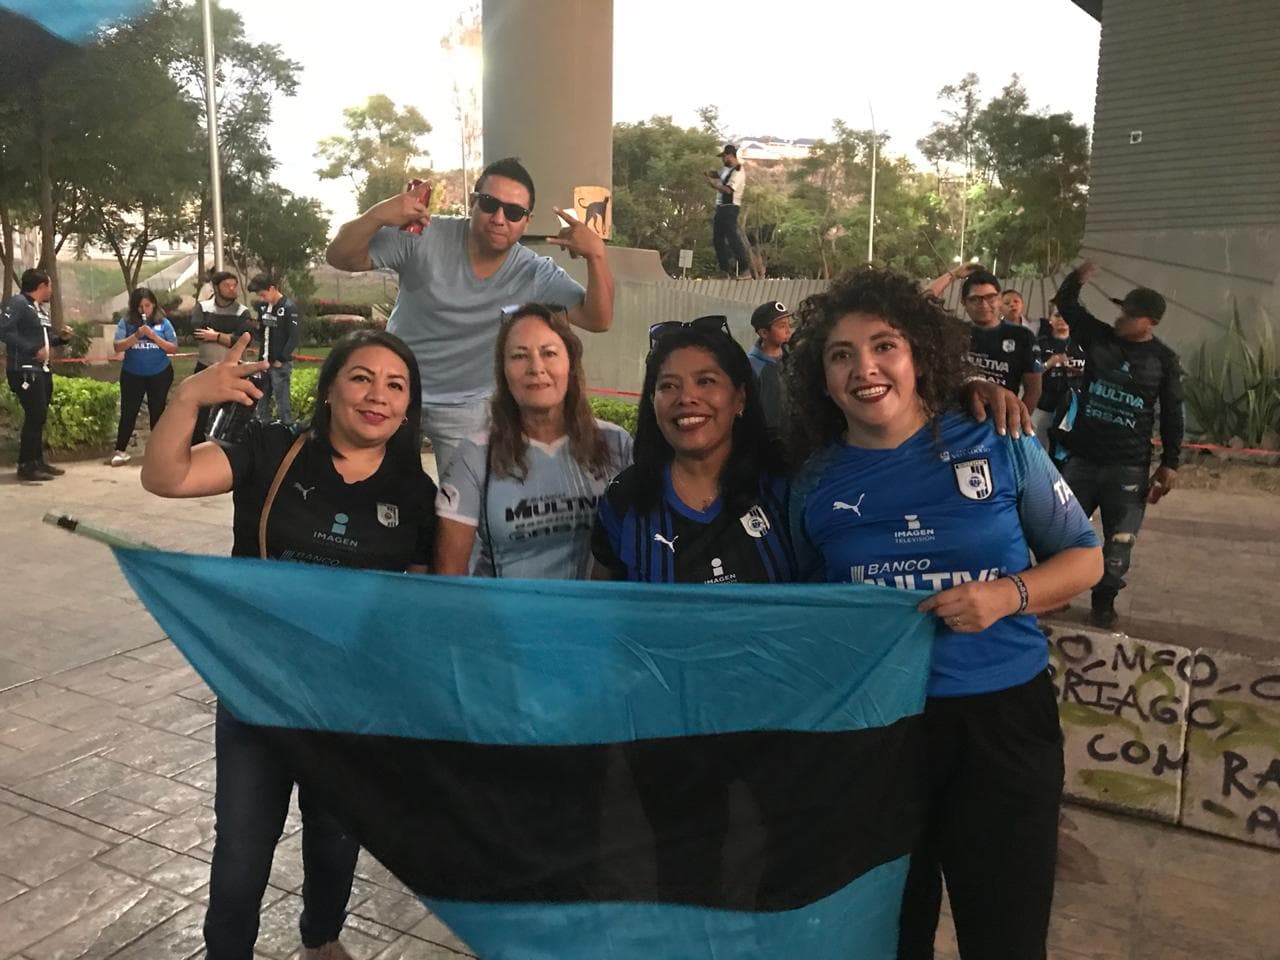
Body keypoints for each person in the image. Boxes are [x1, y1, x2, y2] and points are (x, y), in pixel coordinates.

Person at [783, 267, 1102, 960]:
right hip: (880, 734)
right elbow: (808, 605)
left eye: (884, 345)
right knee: (892, 938)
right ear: (823, 376)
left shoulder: (999, 437)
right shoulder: (812, 482)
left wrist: (1006, 595)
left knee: (1006, 936)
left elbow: (1085, 557)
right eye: (841, 355)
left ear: (920, 353)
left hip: (1002, 724)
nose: (864, 368)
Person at [141, 328, 438, 960]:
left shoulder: (415, 496)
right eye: (361, 377)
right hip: (258, 691)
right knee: (244, 844)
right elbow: (165, 477)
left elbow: (413, 610)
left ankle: (321, 939)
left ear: (408, 408)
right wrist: (187, 399)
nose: (376, 395)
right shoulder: (272, 449)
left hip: (348, 704)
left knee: (336, 837)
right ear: (330, 387)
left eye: (395, 385)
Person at [591, 315, 796, 900]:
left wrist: (971, 393)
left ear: (739, 398)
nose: (687, 399)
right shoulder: (626, 502)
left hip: (781, 721)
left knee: (787, 864)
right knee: (685, 873)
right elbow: (600, 610)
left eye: (707, 381)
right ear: (653, 401)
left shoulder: (787, 482)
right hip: (670, 728)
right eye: (668, 385)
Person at [325, 156, 614, 470]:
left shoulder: (533, 273)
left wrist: (596, 255)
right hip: (399, 391)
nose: (499, 218)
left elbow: (598, 319)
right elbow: (341, 257)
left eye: (514, 212)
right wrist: (379, 214)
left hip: (468, 406)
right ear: (473, 202)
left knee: (464, 508)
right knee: (376, 489)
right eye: (490, 204)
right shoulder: (424, 236)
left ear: (526, 221)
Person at [435, 303, 632, 578]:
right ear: (502, 370)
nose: (536, 367)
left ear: (571, 364)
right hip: (505, 617)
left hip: (593, 616)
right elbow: (449, 574)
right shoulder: (475, 455)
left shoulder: (617, 444)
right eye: (519, 356)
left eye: (549, 353)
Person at [1053, 260, 1184, 629]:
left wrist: (1170, 463)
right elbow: (1067, 306)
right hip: (1081, 459)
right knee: (1061, 530)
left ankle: (1103, 602)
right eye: (1121, 311)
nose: (1120, 319)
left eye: (1129, 315)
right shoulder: (1098, 338)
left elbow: (1173, 413)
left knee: (1119, 542)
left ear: (1150, 323)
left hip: (1128, 467)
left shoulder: (1163, 361)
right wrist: (1076, 277)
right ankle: (1055, 593)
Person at [926, 265, 1042, 412]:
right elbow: (919, 305)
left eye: (990, 297)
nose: (984, 304)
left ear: (999, 299)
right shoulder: (955, 333)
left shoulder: (1022, 337)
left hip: (998, 425)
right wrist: (953, 274)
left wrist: (1018, 425)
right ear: (964, 303)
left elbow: (1033, 389)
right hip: (956, 419)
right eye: (975, 299)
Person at [0, 268, 70, 481]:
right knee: (34, 415)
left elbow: (44, 341)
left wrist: (62, 339)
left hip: (42, 369)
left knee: (39, 416)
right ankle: (26, 465)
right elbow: (4, 331)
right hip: (24, 370)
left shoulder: (38, 309)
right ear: (41, 287)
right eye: (49, 286)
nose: (51, 290)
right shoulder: (18, 303)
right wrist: (31, 349)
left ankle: (37, 461)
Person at [110, 286, 178, 466]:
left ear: (154, 305)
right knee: (129, 411)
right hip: (133, 373)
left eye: (147, 306)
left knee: (158, 411)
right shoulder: (126, 322)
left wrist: (154, 337)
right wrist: (137, 335)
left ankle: (157, 451)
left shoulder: (164, 323)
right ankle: (121, 450)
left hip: (160, 373)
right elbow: (118, 346)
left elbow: (172, 347)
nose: (144, 310)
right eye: (140, 307)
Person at [190, 270, 255, 444]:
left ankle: (225, 449)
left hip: (233, 370)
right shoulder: (203, 308)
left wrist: (216, 336)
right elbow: (198, 332)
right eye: (227, 285)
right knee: (200, 413)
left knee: (229, 415)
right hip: (205, 367)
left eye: (234, 285)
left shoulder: (243, 312)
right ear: (216, 287)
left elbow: (243, 339)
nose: (232, 288)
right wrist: (229, 336)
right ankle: (196, 448)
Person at [246, 273, 301, 425]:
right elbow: (263, 331)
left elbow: (293, 337)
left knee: (281, 398)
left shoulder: (288, 307)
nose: (263, 299)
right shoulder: (264, 308)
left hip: (279, 363)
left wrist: (281, 358)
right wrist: (252, 327)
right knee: (261, 396)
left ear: (272, 288)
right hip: (264, 360)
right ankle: (262, 426)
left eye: (264, 295)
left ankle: (286, 426)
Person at [1033, 302, 1086, 443]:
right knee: (1040, 447)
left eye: (1066, 315)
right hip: (1045, 406)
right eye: (1057, 315)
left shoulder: (1084, 343)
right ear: (1050, 318)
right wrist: (1050, 363)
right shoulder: (1040, 343)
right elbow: (1029, 375)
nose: (1062, 319)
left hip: (1073, 408)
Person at [706, 144, 754, 279]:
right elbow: (718, 174)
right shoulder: (727, 169)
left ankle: (745, 269)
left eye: (724, 157)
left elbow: (728, 190)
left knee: (733, 238)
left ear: (730, 156)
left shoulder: (738, 170)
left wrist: (713, 185)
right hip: (721, 207)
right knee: (718, 239)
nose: (722, 160)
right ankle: (724, 271)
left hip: (731, 207)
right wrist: (707, 173)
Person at [746, 300, 792, 378]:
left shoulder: (793, 358)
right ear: (764, 333)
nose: (788, 331)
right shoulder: (752, 366)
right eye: (782, 326)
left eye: (789, 324)